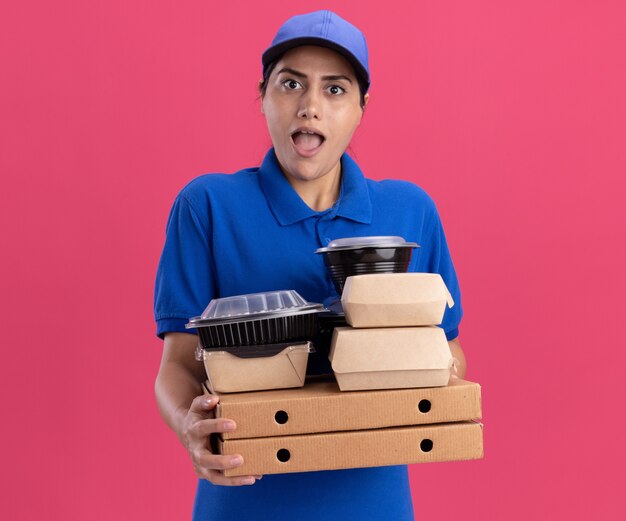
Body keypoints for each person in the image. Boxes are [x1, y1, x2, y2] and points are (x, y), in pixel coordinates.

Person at [154, 10, 466, 521]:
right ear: (262, 96)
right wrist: (191, 428)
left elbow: (450, 350)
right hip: (244, 494)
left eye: (336, 89)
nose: (311, 107)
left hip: (374, 501)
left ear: (363, 107)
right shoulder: (207, 206)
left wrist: (421, 369)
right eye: (291, 83)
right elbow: (177, 368)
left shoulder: (410, 213)